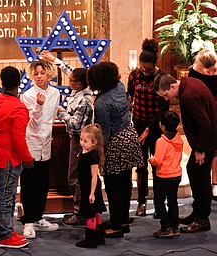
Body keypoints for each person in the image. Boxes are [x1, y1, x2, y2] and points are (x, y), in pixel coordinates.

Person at [153, 73, 217, 233]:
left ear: (173, 86)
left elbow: (204, 123)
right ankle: (197, 213)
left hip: (206, 144)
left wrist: (201, 150)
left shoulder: (188, 96)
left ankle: (202, 219)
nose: (167, 100)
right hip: (205, 142)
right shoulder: (190, 82)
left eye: (166, 95)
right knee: (192, 172)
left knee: (201, 179)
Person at [87, 62, 143, 238]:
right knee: (125, 182)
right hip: (129, 136)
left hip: (115, 144)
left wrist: (98, 154)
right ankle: (123, 219)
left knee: (113, 185)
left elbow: (104, 132)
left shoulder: (102, 103)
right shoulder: (119, 86)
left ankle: (116, 226)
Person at [40, 50, 93, 226]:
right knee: (74, 177)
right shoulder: (80, 86)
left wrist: (60, 112)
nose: (68, 81)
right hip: (76, 141)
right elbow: (69, 69)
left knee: (75, 178)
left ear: (79, 84)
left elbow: (76, 125)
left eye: (71, 81)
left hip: (81, 142)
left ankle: (79, 213)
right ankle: (80, 211)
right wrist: (53, 59)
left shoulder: (84, 100)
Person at [0, 66, 33, 248]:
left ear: (2, 82)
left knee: (5, 194)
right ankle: (4, 235)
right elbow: (18, 138)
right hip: (8, 155)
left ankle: (6, 227)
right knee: (5, 195)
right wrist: (28, 158)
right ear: (19, 84)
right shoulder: (19, 107)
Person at [127, 38, 169, 217]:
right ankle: (142, 201)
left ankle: (160, 203)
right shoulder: (134, 75)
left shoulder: (162, 77)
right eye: (142, 68)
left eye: (148, 69)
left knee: (157, 164)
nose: (145, 72)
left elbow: (164, 107)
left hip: (156, 124)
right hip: (138, 122)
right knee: (141, 164)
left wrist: (149, 129)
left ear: (155, 64)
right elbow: (130, 95)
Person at [20, 59, 60, 239]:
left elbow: (50, 119)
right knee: (29, 183)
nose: (39, 77)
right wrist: (39, 105)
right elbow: (31, 121)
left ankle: (38, 217)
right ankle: (28, 221)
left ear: (49, 74)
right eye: (35, 73)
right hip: (31, 144)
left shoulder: (55, 93)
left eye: (42, 73)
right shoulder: (28, 95)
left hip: (46, 143)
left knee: (43, 183)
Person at [188, 49, 217, 200]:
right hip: (206, 112)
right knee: (200, 165)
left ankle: (215, 184)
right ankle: (205, 196)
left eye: (215, 70)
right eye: (209, 71)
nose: (213, 74)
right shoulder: (194, 74)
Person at [148, 110, 183, 238]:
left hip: (164, 176)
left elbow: (158, 160)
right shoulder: (178, 138)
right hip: (176, 175)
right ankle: (175, 227)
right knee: (173, 201)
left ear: (162, 126)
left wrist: (151, 160)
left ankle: (166, 227)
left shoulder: (161, 142)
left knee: (159, 201)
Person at [75, 124, 106, 248]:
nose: (82, 143)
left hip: (90, 188)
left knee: (90, 214)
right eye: (81, 139)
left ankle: (91, 240)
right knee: (94, 212)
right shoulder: (85, 151)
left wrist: (92, 193)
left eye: (85, 141)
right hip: (85, 187)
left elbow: (94, 176)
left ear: (94, 143)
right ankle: (99, 236)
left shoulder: (93, 156)